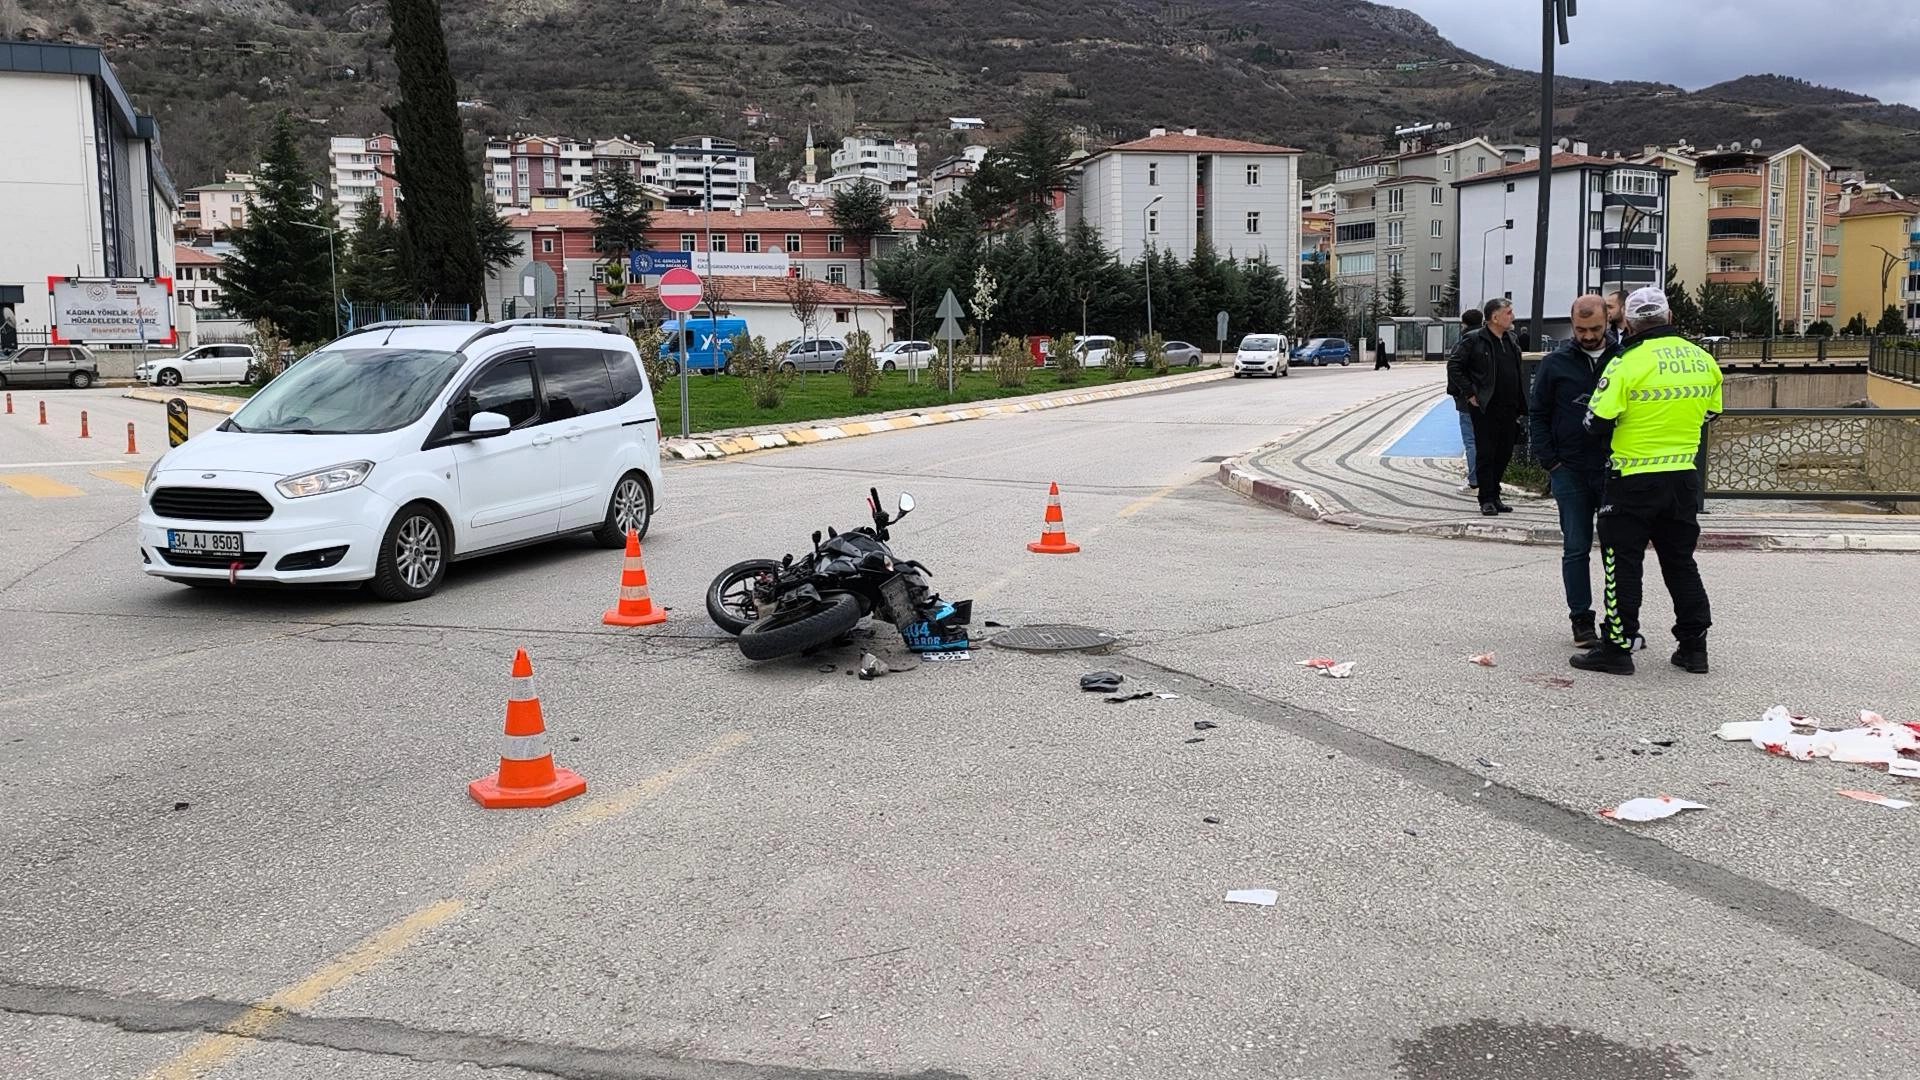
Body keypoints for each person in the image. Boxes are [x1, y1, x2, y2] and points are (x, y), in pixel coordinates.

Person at [1571, 286, 1723, 676]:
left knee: (1622, 564)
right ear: (1669, 317)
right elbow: (1711, 414)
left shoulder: (1625, 362)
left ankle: (1617, 648)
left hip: (1631, 479)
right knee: (1680, 563)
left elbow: (1594, 422)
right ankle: (1694, 648)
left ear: (1630, 323)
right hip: (1682, 477)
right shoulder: (1703, 359)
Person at [1530, 295, 1617, 649]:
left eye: (1595, 328)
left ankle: (1619, 621)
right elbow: (1538, 413)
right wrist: (1550, 461)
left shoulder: (1623, 359)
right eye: (1581, 329)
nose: (1588, 335)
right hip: (1569, 470)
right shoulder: (1555, 364)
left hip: (1615, 469)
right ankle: (1581, 620)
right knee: (1576, 548)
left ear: (1608, 321)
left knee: (1617, 551)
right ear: (1572, 324)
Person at [1451, 298, 1526, 516]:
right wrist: (1470, 393)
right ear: (1494, 317)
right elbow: (1454, 366)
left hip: (1510, 406)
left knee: (1504, 452)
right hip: (1485, 406)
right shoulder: (1475, 339)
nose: (1512, 317)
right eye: (1508, 312)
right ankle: (1486, 498)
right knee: (1486, 453)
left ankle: (1495, 494)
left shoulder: (1511, 339)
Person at [1447, 308, 1484, 495]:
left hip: (1468, 401)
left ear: (1464, 324)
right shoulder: (1491, 341)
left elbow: (1453, 369)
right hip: (1489, 399)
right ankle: (1489, 480)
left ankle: (1475, 481)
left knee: (1471, 442)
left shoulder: (1463, 343)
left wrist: (1458, 393)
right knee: (1487, 440)